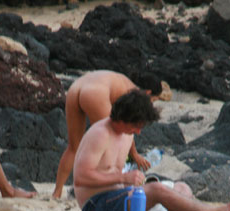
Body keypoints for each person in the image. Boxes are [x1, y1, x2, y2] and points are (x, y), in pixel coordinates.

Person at [73, 89, 230, 211]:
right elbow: (81, 177)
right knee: (157, 190)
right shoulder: (100, 134)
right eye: (137, 125)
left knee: (182, 188)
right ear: (124, 118)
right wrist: (124, 177)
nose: (139, 131)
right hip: (95, 205)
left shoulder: (127, 134)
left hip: (122, 197)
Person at [52, 70, 163, 198]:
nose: (151, 104)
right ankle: (94, 187)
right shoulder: (134, 94)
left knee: (73, 147)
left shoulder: (123, 80)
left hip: (76, 87)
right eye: (153, 100)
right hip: (95, 93)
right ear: (148, 93)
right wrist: (134, 154)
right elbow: (125, 126)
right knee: (110, 138)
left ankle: (57, 192)